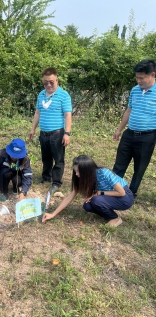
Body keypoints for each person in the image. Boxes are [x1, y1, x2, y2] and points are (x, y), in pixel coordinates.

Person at [42, 155, 134, 227]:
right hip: (111, 196)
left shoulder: (104, 173)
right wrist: (53, 214)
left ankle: (115, 218)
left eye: (78, 171)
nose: (77, 174)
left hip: (125, 198)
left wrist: (99, 193)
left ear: (87, 171)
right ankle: (109, 215)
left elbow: (121, 192)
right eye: (75, 171)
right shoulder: (82, 177)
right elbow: (70, 196)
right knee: (87, 205)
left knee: (96, 200)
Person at [113, 59, 156, 197]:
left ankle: (132, 193)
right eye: (137, 77)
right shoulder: (135, 90)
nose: (138, 81)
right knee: (119, 163)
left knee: (140, 167)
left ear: (152, 75)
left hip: (147, 137)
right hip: (129, 134)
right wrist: (119, 130)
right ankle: (114, 188)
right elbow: (128, 111)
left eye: (141, 78)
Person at [29, 67, 72, 194]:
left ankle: (57, 182)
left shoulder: (63, 95)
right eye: (45, 82)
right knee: (46, 158)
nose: (48, 84)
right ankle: (46, 177)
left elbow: (68, 115)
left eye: (51, 82)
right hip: (43, 134)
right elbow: (38, 112)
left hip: (57, 134)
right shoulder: (41, 94)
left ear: (57, 80)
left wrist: (67, 133)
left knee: (58, 160)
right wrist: (33, 129)